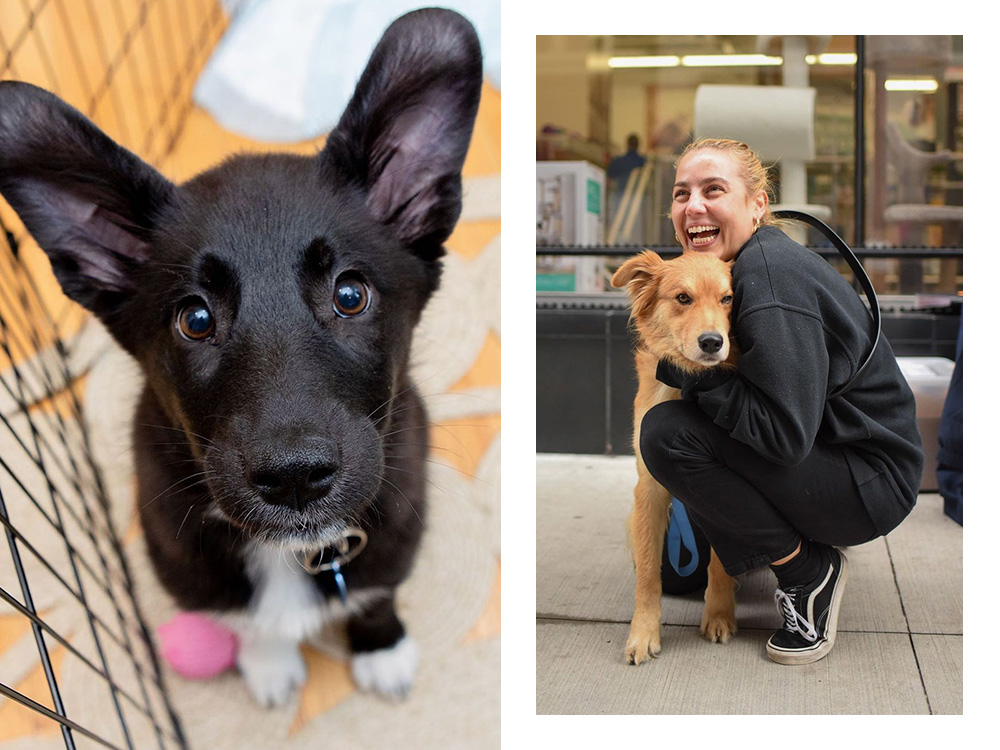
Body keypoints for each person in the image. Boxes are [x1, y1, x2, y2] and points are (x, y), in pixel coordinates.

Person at [640, 138, 923, 665]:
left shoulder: (769, 276)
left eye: (713, 189)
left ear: (757, 204)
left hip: (870, 483)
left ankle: (809, 574)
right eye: (682, 193)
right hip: (848, 457)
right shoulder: (748, 261)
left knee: (667, 435)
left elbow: (785, 439)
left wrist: (693, 378)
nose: (693, 206)